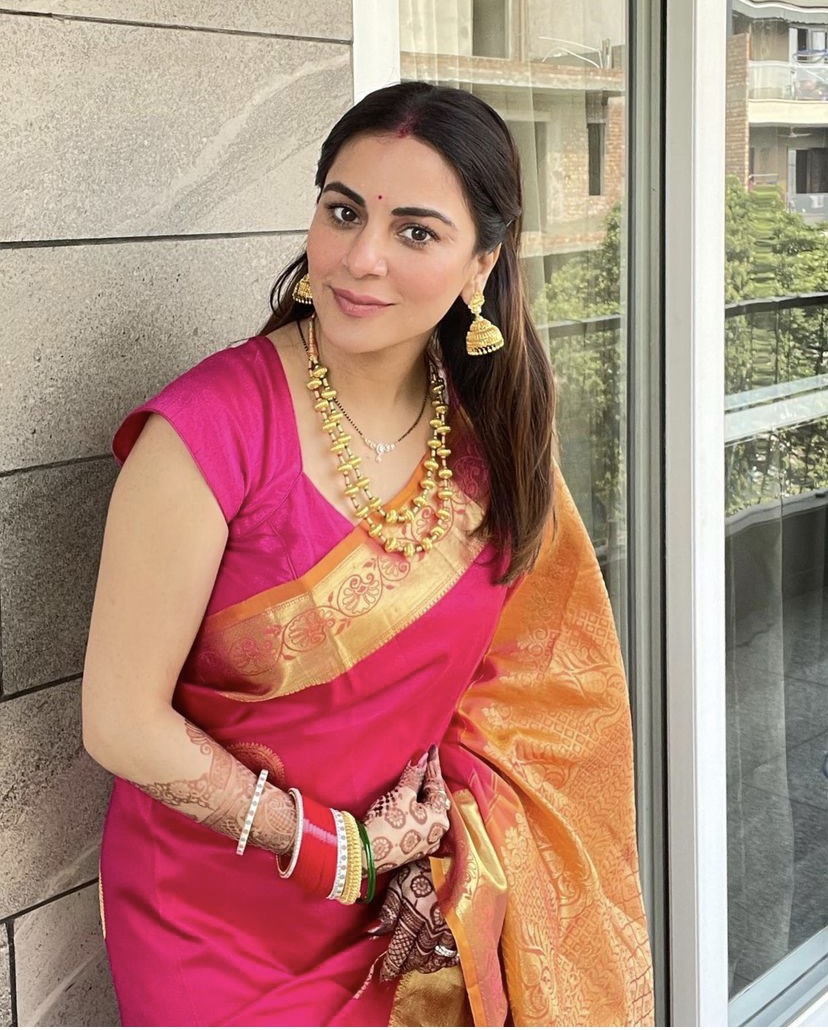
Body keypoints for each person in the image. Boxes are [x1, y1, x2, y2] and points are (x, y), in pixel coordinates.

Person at [82, 81, 654, 1027]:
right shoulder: (206, 433)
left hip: (410, 909)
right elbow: (119, 722)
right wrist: (339, 851)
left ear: (482, 264)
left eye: (415, 232)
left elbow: (530, 698)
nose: (362, 259)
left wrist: (459, 856)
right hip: (211, 927)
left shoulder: (494, 441)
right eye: (343, 212)